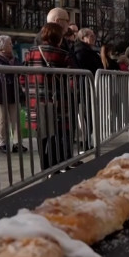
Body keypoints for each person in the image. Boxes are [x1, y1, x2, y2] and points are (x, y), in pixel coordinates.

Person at [25, 23, 73, 168]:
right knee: (56, 134)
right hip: (57, 101)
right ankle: (54, 167)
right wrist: (69, 93)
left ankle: (44, 166)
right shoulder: (62, 54)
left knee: (42, 134)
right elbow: (72, 79)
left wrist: (29, 91)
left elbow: (22, 76)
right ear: (58, 37)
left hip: (36, 101)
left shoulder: (31, 52)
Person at [0, 35, 24, 154]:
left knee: (16, 119)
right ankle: (2, 143)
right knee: (2, 120)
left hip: (14, 93)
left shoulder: (14, 58)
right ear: (2, 47)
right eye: (9, 44)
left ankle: (17, 143)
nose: (12, 46)